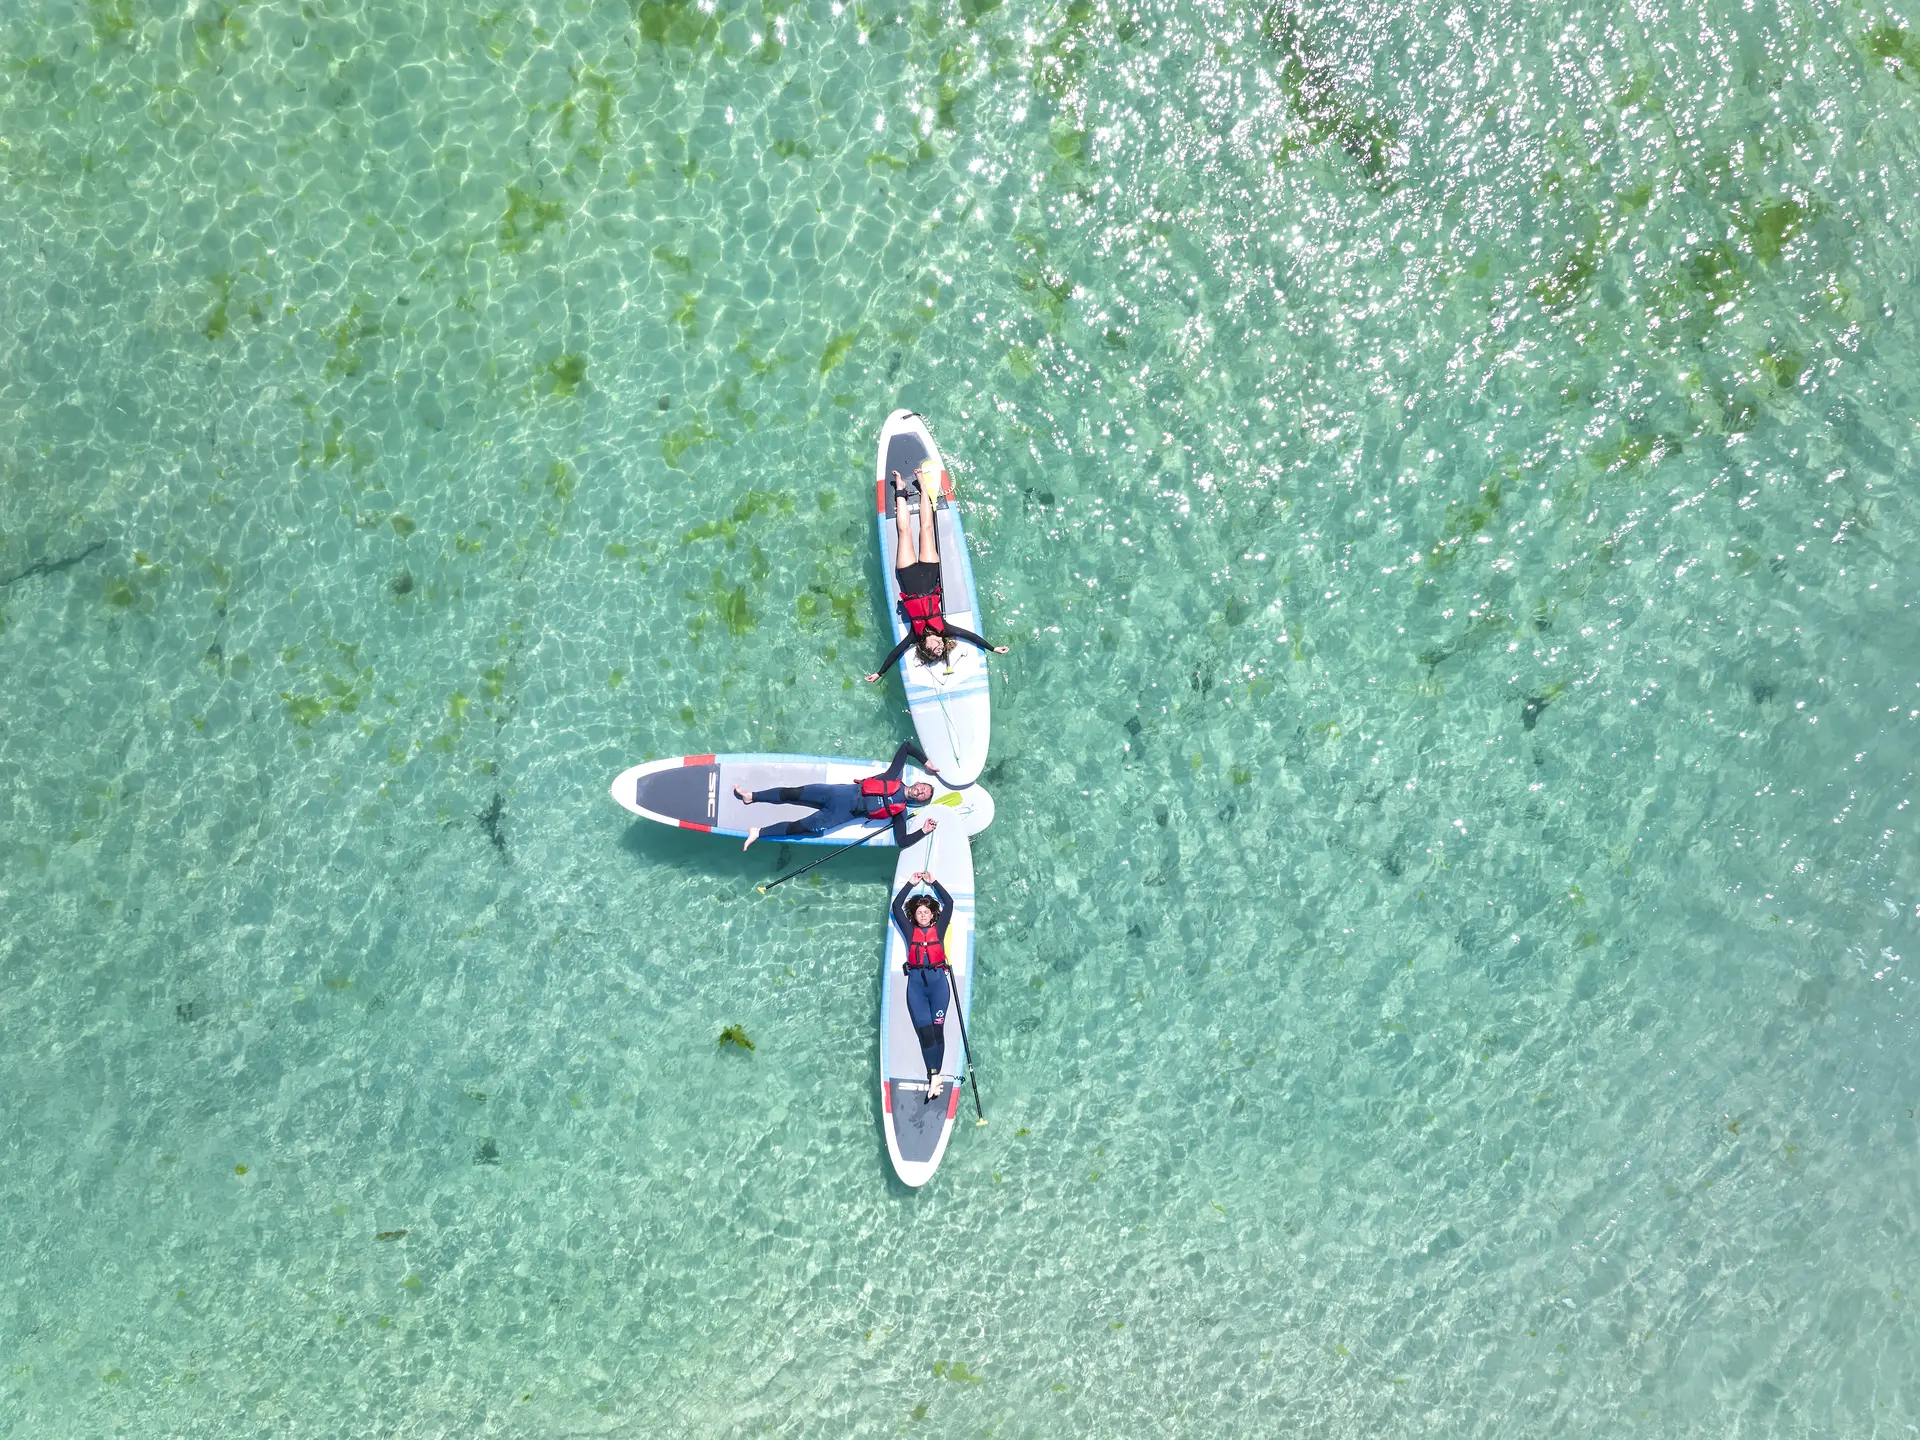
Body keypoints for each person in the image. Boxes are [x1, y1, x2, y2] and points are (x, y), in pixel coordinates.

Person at [864, 459, 1010, 685]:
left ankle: (900, 488)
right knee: (926, 528)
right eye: (941, 649)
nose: (939, 647)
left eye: (934, 651)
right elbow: (970, 636)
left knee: (904, 531)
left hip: (909, 577)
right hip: (930, 574)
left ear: (924, 647)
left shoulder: (914, 636)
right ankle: (923, 487)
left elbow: (895, 653)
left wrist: (880, 673)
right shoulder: (945, 628)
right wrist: (992, 648)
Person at [733, 738, 939, 851]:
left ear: (918, 801)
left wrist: (923, 830)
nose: (921, 791)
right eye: (923, 787)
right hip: (832, 793)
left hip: (835, 817)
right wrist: (926, 762)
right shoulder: (893, 776)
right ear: (918, 782)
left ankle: (758, 832)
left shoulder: (900, 812)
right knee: (792, 792)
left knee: (800, 827)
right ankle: (751, 796)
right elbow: (906, 746)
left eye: (923, 796)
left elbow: (901, 841)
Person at [891, 870, 956, 1103]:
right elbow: (896, 907)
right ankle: (934, 1076)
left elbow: (949, 902)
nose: (923, 915)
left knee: (938, 1033)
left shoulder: (939, 928)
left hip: (939, 988)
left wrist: (933, 882)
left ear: (932, 915)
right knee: (926, 1036)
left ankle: (935, 1077)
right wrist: (910, 883)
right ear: (915, 916)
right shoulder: (910, 931)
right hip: (917, 989)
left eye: (926, 912)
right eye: (919, 913)